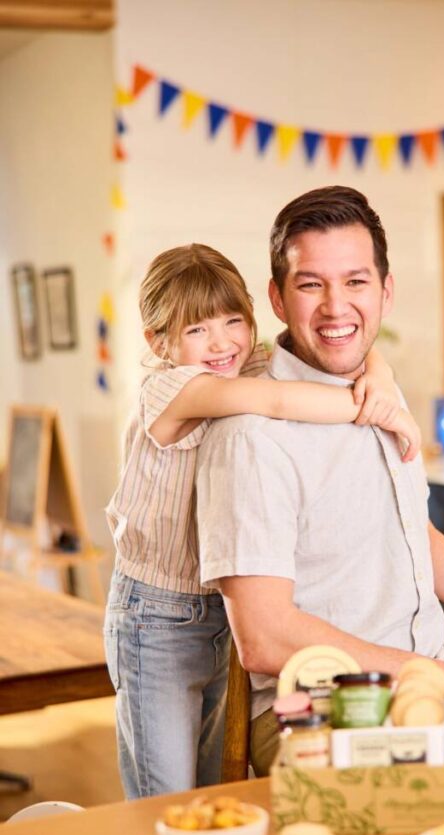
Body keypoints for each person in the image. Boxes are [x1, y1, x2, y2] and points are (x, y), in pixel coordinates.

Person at [195, 186, 444, 777]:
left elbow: (406, 531)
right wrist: (439, 675)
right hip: (319, 711)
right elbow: (263, 636)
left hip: (426, 683)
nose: (335, 307)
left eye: (356, 282)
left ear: (386, 292)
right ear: (277, 298)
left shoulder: (377, 393)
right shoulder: (252, 437)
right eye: (311, 284)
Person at [104, 242, 420, 799]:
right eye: (197, 330)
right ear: (158, 342)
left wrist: (381, 368)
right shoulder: (171, 387)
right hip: (153, 617)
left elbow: (320, 364)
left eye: (234, 321)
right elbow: (277, 403)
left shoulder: (235, 363)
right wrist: (382, 410)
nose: (222, 342)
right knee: (165, 794)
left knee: (208, 789)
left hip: (216, 610)